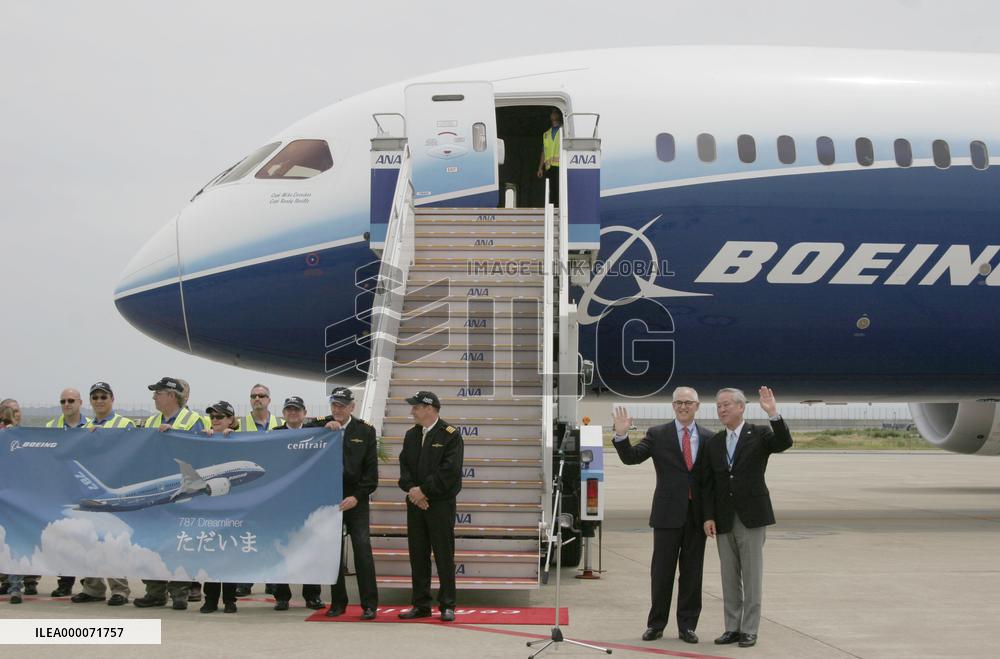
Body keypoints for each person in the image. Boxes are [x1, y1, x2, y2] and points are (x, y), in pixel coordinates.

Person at [612, 386, 711, 644]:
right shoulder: (658, 434)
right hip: (667, 514)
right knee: (662, 572)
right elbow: (632, 458)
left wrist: (711, 516)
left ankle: (687, 626)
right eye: (678, 402)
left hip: (696, 516)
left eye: (688, 403)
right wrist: (621, 436)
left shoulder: (710, 437)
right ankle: (656, 625)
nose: (683, 407)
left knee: (692, 573)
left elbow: (712, 482)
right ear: (673, 406)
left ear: (697, 406)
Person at [701, 386, 793, 649]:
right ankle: (732, 627)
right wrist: (708, 516)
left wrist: (773, 413)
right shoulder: (714, 442)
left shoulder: (760, 434)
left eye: (727, 404)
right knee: (728, 576)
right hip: (724, 518)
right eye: (718, 405)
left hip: (752, 516)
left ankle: (749, 629)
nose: (722, 409)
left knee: (752, 577)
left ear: (741, 407)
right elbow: (708, 484)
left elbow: (784, 443)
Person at [134, 376, 205, 610]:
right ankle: (154, 591)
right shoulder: (151, 421)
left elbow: (201, 450)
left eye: (158, 393)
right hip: (155, 490)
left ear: (172, 396)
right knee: (151, 541)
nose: (154, 396)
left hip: (182, 491)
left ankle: (179, 591)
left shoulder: (194, 420)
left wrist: (175, 434)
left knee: (178, 542)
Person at [309, 388, 378, 620]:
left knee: (362, 549)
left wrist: (356, 497)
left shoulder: (365, 431)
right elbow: (295, 431)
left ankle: (369, 604)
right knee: (333, 553)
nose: (337, 410)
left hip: (355, 498)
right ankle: (338, 602)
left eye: (342, 405)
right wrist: (322, 428)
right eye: (334, 405)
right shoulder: (320, 425)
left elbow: (371, 475)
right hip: (328, 499)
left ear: (352, 407)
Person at [397, 391, 463, 622]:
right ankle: (421, 604)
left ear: (429, 408)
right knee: (418, 554)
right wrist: (413, 490)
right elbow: (404, 466)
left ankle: (447, 604)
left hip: (440, 504)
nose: (412, 411)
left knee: (444, 555)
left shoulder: (450, 435)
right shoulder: (411, 435)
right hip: (416, 503)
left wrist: (423, 491)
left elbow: (449, 471)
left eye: (415, 407)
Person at [71, 382, 135, 606]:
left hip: (115, 490)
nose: (99, 401)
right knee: (88, 539)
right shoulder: (84, 426)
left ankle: (119, 589)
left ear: (112, 399)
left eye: (103, 397)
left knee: (111, 540)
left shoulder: (125, 423)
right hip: (90, 491)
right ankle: (93, 587)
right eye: (95, 397)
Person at [270, 396, 326, 611]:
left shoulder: (316, 430)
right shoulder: (274, 434)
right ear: (283, 413)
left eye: (297, 410)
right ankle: (281, 596)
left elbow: (333, 420)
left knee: (310, 546)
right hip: (282, 501)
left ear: (304, 412)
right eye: (289, 410)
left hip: (308, 499)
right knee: (281, 547)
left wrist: (329, 425)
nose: (293, 413)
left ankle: (312, 595)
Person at [234, 383, 282, 598]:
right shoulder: (240, 425)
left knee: (272, 535)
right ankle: (245, 580)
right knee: (248, 535)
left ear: (269, 400)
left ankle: (273, 580)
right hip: (248, 488)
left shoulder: (280, 424)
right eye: (253, 396)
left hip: (274, 486)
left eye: (261, 396)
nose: (257, 399)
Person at [45, 388, 90, 597]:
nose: (66, 404)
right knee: (62, 537)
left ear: (80, 402)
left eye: (71, 400)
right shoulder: (50, 427)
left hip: (85, 489)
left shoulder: (92, 427)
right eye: (62, 401)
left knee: (86, 537)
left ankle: (88, 582)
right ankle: (64, 581)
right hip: (60, 488)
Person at [199, 401, 240, 614]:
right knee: (211, 551)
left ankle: (230, 599)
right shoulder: (205, 437)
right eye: (212, 417)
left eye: (220, 417)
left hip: (233, 503)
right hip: (211, 503)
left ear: (230, 420)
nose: (215, 421)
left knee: (230, 551)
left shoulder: (240, 439)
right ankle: (211, 598)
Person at [536, 108, 562, 206]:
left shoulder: (564, 130)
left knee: (559, 188)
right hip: (549, 167)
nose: (553, 115)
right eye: (552, 113)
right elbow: (543, 152)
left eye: (555, 112)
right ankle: (552, 207)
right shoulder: (546, 134)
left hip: (560, 165)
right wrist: (540, 168)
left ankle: (559, 206)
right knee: (551, 189)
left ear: (559, 115)